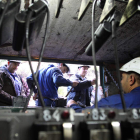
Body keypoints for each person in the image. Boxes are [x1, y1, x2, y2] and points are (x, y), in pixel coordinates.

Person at [67, 57, 140, 112]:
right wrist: (90, 83)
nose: (120, 82)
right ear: (79, 69)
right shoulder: (74, 77)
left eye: (122, 78)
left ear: (131, 79)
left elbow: (84, 113)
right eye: (84, 69)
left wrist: (73, 105)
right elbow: (76, 86)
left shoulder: (114, 102)